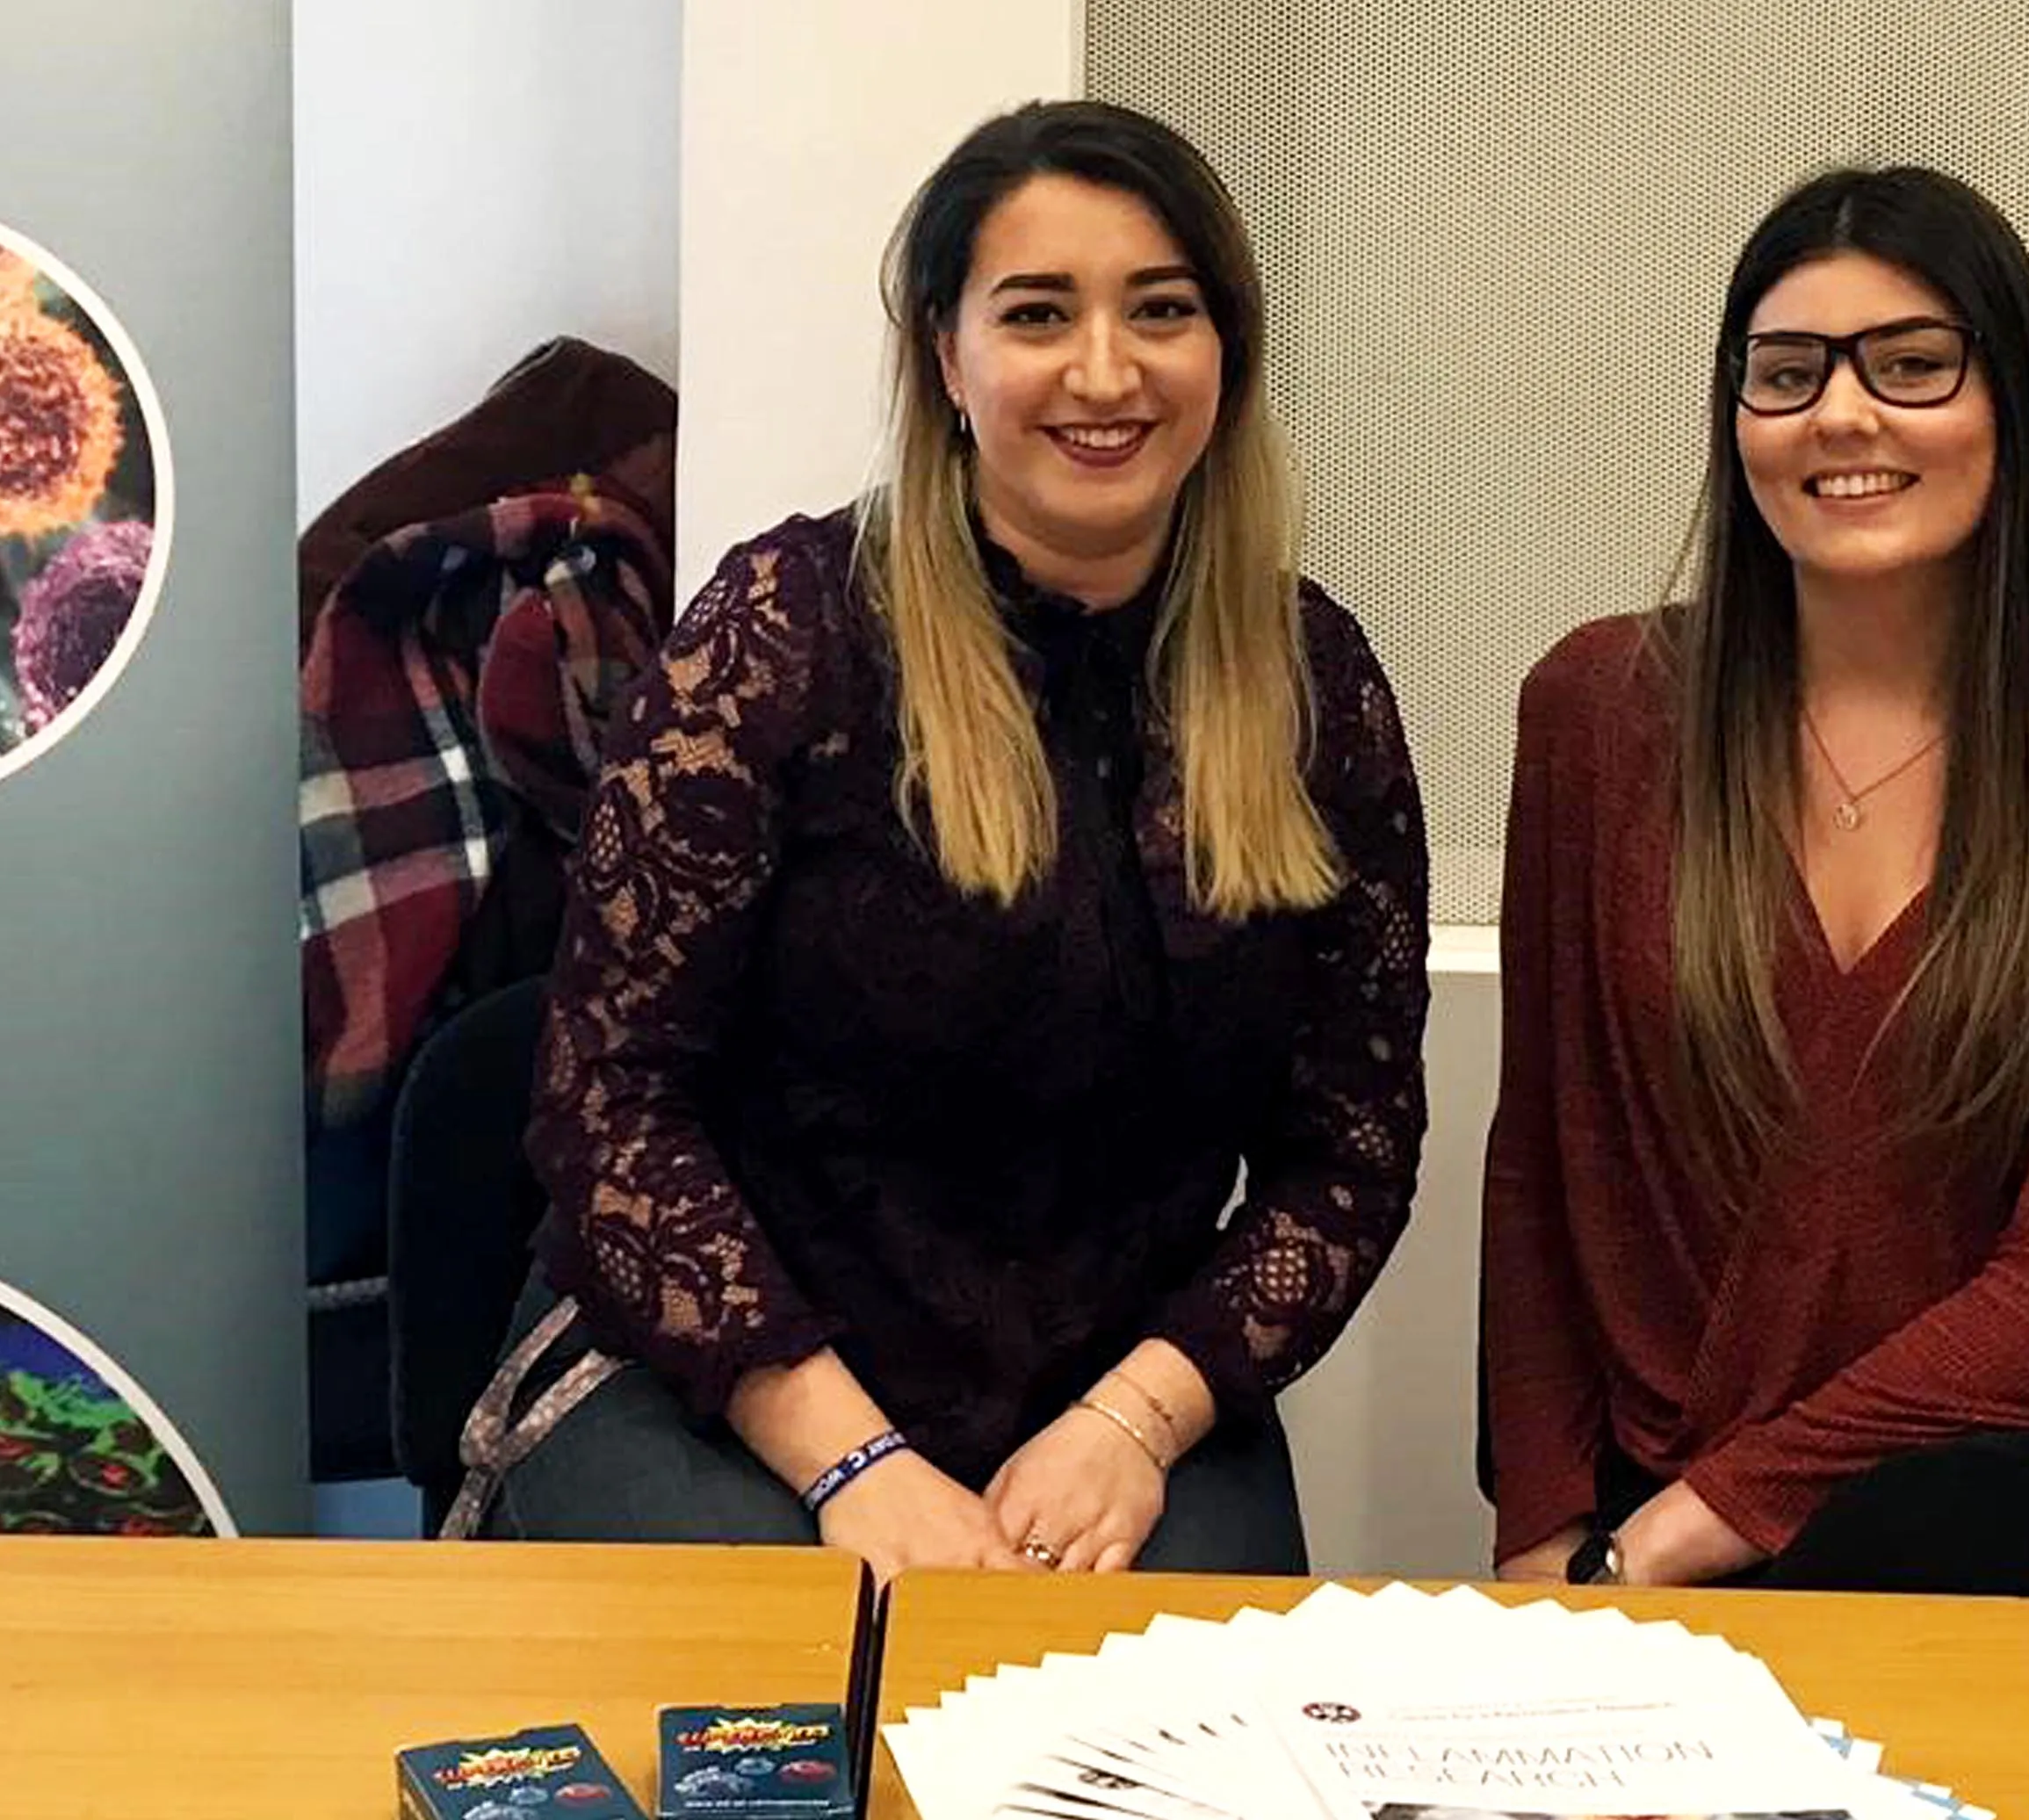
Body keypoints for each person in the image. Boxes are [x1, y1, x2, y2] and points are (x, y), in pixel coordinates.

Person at [467, 99, 1429, 1578]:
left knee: (1167, 1764)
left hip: (1121, 1407)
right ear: (946, 356)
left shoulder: (1317, 688)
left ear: (1224, 356)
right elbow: (609, 1106)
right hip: (725, 1378)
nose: (1103, 372)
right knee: (798, 1737)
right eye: (1037, 313)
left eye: (1158, 312)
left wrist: (1134, 1419)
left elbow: (1344, 1158)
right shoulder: (783, 640)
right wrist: (852, 1460)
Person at [1480, 167, 2029, 1596]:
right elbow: (1544, 1166)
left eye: (1913, 366)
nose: (1842, 415)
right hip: (1675, 1486)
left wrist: (1676, 1534)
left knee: (1898, 1547)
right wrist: (1545, 1531)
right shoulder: (1596, 713)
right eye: (1786, 372)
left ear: (2013, 406)